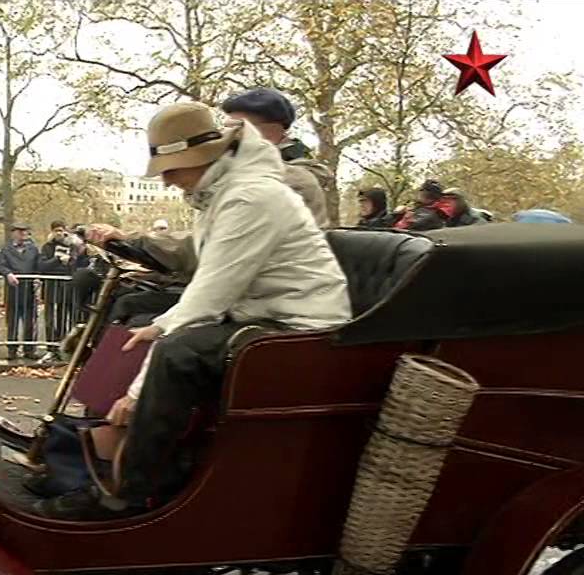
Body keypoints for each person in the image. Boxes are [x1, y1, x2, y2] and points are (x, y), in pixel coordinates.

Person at [36, 101, 352, 520]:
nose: (166, 182)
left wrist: (136, 393)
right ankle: (94, 450)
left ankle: (132, 492)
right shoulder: (227, 193)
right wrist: (159, 326)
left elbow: (209, 298)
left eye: (170, 170)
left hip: (301, 329)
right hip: (269, 315)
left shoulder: (250, 198)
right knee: (146, 326)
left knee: (177, 353)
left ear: (201, 158)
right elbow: (211, 285)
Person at [221, 87, 331, 228]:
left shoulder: (297, 177)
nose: (225, 135)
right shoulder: (246, 167)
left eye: (234, 128)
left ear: (270, 129)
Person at [0, 223, 40, 361]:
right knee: (12, 321)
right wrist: (8, 274)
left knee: (30, 321)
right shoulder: (6, 249)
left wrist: (38, 277)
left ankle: (29, 349)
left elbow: (38, 265)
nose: (23, 234)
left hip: (29, 290)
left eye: (25, 231)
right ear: (13, 233)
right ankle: (12, 349)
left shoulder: (33, 249)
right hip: (13, 289)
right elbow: (0, 265)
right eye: (20, 231)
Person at [39, 220, 78, 346]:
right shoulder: (46, 247)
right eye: (56, 230)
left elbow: (74, 265)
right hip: (50, 286)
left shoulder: (72, 246)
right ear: (52, 232)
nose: (59, 233)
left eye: (61, 230)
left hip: (66, 286)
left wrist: (69, 261)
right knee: (49, 319)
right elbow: (42, 266)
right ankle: (51, 344)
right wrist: (57, 259)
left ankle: (62, 343)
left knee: (63, 318)